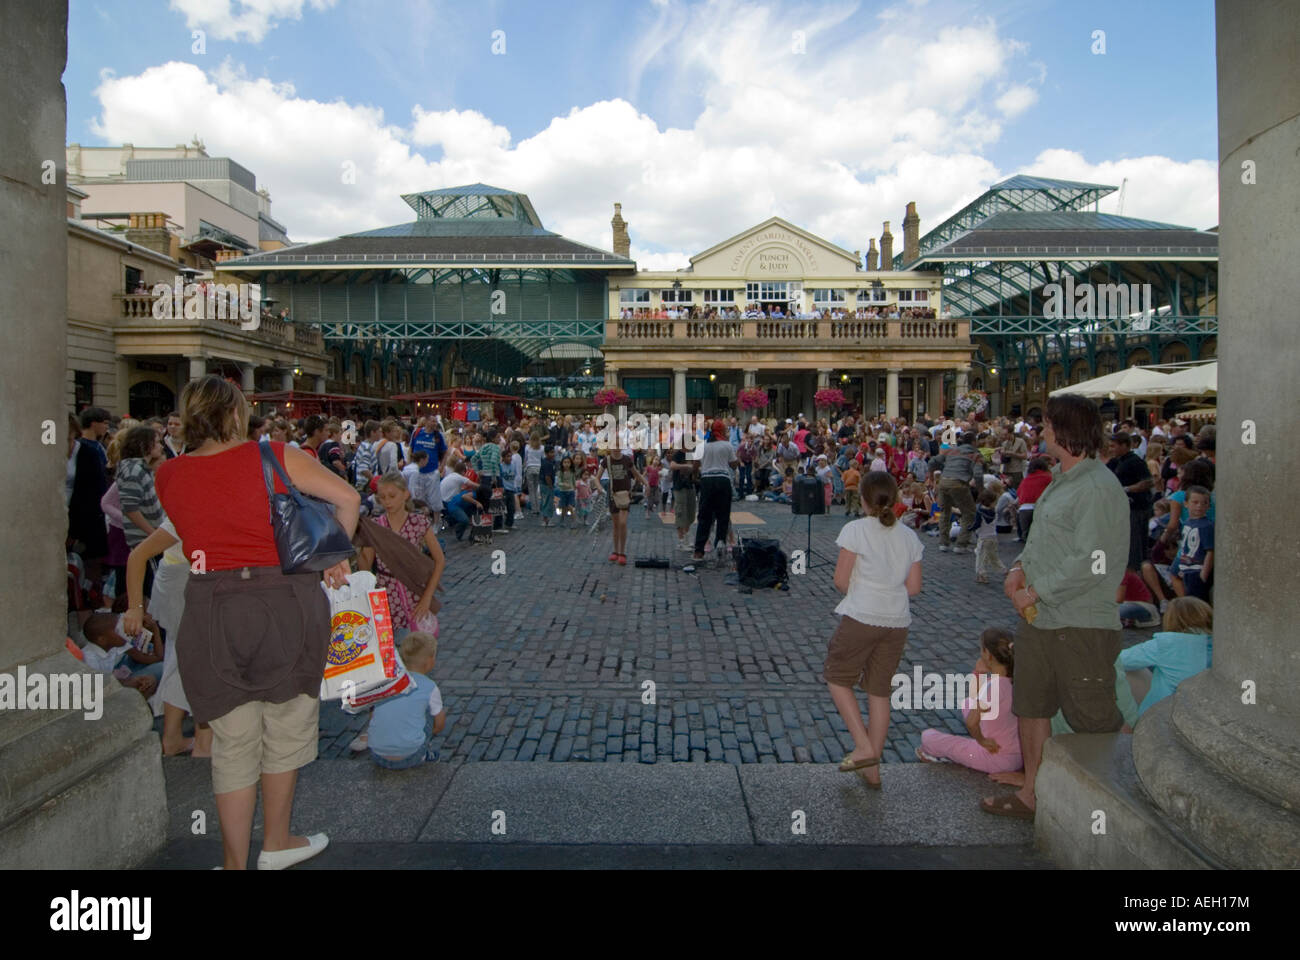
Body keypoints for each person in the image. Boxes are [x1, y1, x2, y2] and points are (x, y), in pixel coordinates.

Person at [125, 375, 360, 871]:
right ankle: (276, 842)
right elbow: (348, 500)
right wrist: (333, 556)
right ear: (235, 415)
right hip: (284, 598)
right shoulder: (272, 454)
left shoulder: (169, 474)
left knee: (231, 740)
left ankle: (234, 862)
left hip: (210, 605)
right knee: (285, 724)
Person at [987, 394, 1128, 822]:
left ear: (1065, 430)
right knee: (1031, 705)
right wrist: (1019, 567)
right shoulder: (1061, 480)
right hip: (1041, 621)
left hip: (1079, 622)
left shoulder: (1099, 487)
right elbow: (1045, 542)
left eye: (1047, 425)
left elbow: (1092, 560)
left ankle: (1113, 802)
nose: (1041, 431)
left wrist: (1035, 591)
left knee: (1093, 715)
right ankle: (1033, 791)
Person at [826, 472, 923, 789]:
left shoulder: (855, 529)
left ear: (863, 500)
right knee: (879, 692)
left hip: (862, 615)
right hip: (896, 620)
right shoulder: (909, 537)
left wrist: (864, 589)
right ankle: (873, 768)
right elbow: (914, 587)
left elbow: (841, 581)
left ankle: (864, 747)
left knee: (838, 678)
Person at [917, 628, 1020, 773]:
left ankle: (942, 757)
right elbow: (977, 699)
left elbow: (971, 722)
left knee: (928, 737)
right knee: (968, 703)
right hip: (1017, 756)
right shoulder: (1012, 680)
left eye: (981, 650)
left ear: (988, 655)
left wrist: (982, 741)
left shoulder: (993, 686)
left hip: (995, 758)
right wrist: (978, 673)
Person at [1118, 597, 1213, 720]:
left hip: (1165, 713)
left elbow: (1120, 660)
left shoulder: (1166, 643)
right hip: (1205, 709)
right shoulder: (1219, 644)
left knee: (1127, 668)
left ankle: (1130, 723)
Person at [367, 632, 446, 769]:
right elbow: (439, 724)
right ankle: (424, 754)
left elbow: (373, 715)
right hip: (411, 756)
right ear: (429, 662)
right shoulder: (429, 687)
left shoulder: (387, 682)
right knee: (428, 713)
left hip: (377, 755)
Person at [693, 421, 740, 563]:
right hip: (723, 480)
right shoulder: (727, 445)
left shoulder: (703, 446)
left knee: (704, 516)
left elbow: (695, 465)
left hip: (707, 481)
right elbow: (733, 464)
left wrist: (695, 477)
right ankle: (720, 544)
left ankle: (699, 551)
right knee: (723, 515)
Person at [1107, 432, 1153, 572]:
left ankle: (1136, 574)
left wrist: (1126, 489)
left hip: (1136, 509)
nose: (1111, 449)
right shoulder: (1117, 461)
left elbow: (1147, 482)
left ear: (1125, 445)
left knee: (1134, 546)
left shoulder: (1135, 461)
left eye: (1113, 446)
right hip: (1123, 510)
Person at [932, 431, 984, 553]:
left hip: (943, 481)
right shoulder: (975, 454)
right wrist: (980, 490)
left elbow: (933, 461)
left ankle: (943, 543)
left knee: (945, 511)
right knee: (969, 513)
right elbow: (978, 474)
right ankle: (961, 544)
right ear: (973, 442)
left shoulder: (952, 451)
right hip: (958, 483)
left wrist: (931, 476)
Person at [605, 447, 646, 565]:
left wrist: (646, 484)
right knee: (616, 525)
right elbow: (597, 477)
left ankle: (622, 552)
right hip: (613, 495)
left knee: (622, 523)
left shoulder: (627, 460)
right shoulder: (607, 460)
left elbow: (636, 473)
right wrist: (598, 488)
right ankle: (616, 551)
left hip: (625, 495)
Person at [670, 441, 700, 551]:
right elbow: (672, 465)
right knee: (681, 513)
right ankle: (681, 541)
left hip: (690, 486)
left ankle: (687, 537)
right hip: (679, 486)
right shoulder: (677, 454)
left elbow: (695, 467)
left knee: (690, 513)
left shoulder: (691, 454)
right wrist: (686, 465)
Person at [1014, 457, 1052, 542]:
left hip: (1024, 510)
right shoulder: (1048, 477)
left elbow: (1019, 493)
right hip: (1040, 508)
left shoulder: (1026, 480)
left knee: (1027, 539)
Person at [972, 486, 1004, 584]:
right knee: (993, 556)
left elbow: (976, 524)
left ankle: (982, 576)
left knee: (980, 557)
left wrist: (970, 528)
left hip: (983, 538)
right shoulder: (994, 512)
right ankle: (1004, 570)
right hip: (993, 537)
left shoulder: (980, 512)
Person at [538, 445, 557, 526]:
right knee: (547, 502)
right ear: (546, 453)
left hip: (543, 484)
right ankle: (547, 520)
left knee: (545, 501)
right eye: (551, 452)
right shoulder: (548, 463)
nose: (553, 454)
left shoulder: (545, 461)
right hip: (546, 485)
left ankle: (545, 519)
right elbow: (547, 476)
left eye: (553, 452)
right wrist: (550, 485)